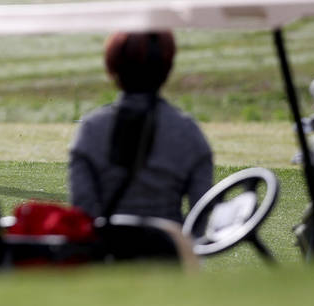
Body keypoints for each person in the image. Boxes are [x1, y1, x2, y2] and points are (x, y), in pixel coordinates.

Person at [68, 30, 213, 223]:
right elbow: (201, 215)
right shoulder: (188, 132)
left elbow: (82, 210)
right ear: (167, 68)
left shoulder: (91, 130)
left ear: (113, 67)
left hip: (107, 250)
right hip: (166, 250)